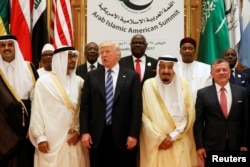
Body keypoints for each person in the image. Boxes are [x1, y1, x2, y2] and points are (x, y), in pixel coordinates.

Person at [80, 40, 142, 167]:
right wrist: (85, 132)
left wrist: (133, 134)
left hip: (124, 137)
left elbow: (136, 108)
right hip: (97, 136)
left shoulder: (131, 76)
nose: (103, 55)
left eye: (107, 52)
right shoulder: (91, 76)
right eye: (101, 52)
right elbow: (85, 106)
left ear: (118, 55)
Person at [29, 46, 87, 167]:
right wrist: (40, 137)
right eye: (69, 56)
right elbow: (37, 110)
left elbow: (84, 110)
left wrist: (79, 130)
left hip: (73, 138)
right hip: (51, 138)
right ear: (59, 59)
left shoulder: (79, 81)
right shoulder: (44, 82)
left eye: (74, 56)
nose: (73, 59)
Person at [140, 55, 197, 167]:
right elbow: (144, 117)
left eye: (170, 67)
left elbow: (189, 114)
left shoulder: (183, 84)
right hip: (157, 144)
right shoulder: (149, 85)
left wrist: (173, 136)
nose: (166, 71)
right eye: (162, 67)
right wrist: (159, 139)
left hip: (178, 140)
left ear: (175, 69)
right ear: (158, 69)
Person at [193, 59, 248, 166]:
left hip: (237, 145)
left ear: (230, 72)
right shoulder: (203, 94)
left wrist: (245, 143)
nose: (221, 72)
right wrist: (200, 146)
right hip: (212, 145)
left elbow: (246, 120)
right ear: (212, 74)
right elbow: (198, 123)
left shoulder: (242, 92)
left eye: (224, 70)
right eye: (218, 70)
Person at [0, 34, 38, 167]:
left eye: (10, 45)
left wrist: (33, 126)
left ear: (15, 47)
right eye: (3, 45)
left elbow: (37, 101)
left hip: (25, 128)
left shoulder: (29, 68)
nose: (6, 48)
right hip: (2, 128)